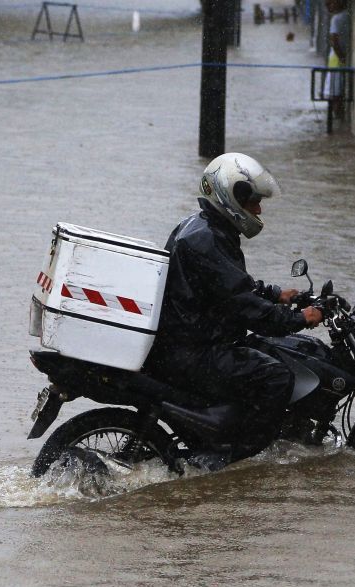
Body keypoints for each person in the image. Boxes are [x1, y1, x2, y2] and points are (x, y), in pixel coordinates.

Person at [144, 153, 323, 467]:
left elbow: (231, 285)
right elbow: (245, 308)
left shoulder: (203, 228)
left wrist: (277, 294)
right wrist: (299, 319)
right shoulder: (208, 240)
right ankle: (241, 458)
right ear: (231, 198)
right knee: (277, 376)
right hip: (194, 351)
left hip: (184, 341)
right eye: (253, 201)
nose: (258, 209)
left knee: (263, 353)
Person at [325, 0, 350, 120]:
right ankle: (339, 120)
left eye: (330, 3)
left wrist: (341, 57)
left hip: (336, 58)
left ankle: (337, 119)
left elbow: (334, 41)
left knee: (335, 93)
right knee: (338, 91)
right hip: (340, 57)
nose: (328, 6)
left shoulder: (336, 19)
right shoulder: (347, 15)